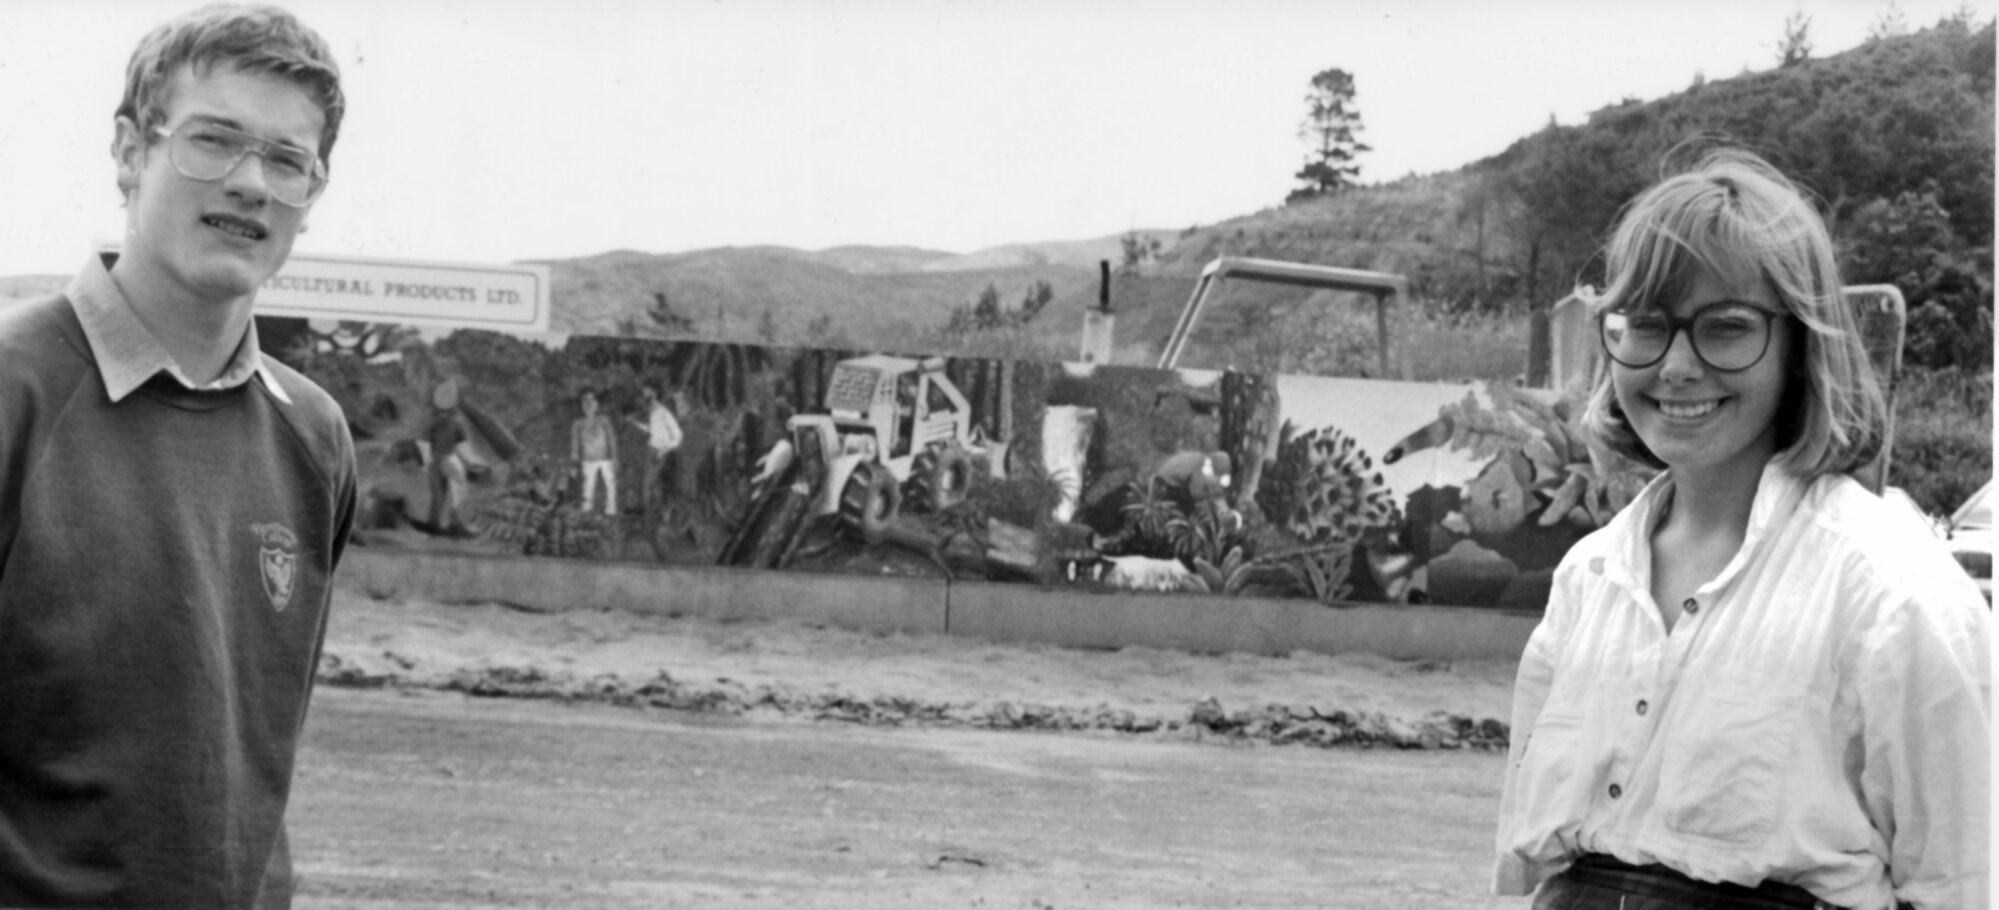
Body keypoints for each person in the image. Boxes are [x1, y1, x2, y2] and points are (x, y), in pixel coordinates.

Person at [1493, 149, 1990, 909]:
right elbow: (1527, 871)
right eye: (1646, 326)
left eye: (1725, 329)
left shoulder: (1895, 596)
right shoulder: (1587, 577)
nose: (1677, 367)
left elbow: (1962, 883)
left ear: (1800, 348)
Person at [0, 5, 356, 907]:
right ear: (129, 152)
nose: (249, 183)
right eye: (214, 140)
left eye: (286, 160)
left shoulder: (313, 438)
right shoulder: (13, 396)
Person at [628, 382, 682, 520]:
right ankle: (645, 511)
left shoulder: (663, 412)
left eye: (645, 390)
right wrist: (635, 423)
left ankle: (647, 514)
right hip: (650, 448)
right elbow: (653, 431)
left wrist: (664, 450)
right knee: (644, 481)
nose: (643, 393)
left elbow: (678, 436)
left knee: (648, 482)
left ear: (654, 392)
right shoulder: (652, 411)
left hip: (658, 451)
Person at [424, 379, 471, 535]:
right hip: (447, 459)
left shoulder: (434, 423)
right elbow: (463, 448)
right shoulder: (455, 425)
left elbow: (425, 443)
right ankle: (450, 522)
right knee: (458, 489)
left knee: (439, 493)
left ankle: (438, 523)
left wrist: (429, 460)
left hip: (435, 460)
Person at [571, 388, 619, 517]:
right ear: (581, 404)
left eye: (592, 400)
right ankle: (586, 511)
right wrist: (574, 463)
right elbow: (575, 443)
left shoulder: (604, 420)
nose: (589, 404)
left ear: (597, 403)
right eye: (585, 401)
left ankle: (611, 511)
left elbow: (611, 439)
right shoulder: (578, 423)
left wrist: (614, 457)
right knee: (588, 485)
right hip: (588, 459)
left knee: (610, 484)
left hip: (605, 458)